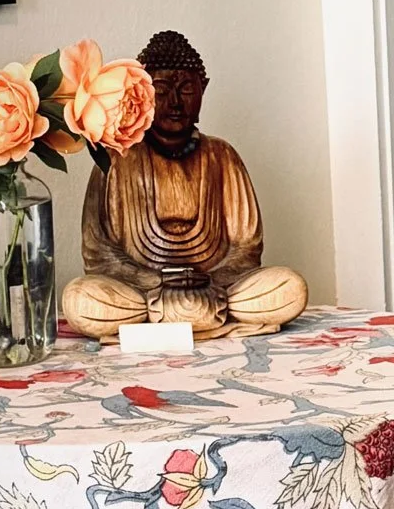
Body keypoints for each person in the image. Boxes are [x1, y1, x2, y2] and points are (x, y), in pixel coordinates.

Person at [62, 29, 307, 339]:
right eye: (162, 90)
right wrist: (156, 281)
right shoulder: (116, 158)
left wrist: (208, 279)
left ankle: (166, 321)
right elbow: (98, 253)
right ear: (143, 94)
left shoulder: (222, 156)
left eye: (186, 89)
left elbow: (247, 248)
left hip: (216, 289)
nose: (175, 102)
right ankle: (195, 318)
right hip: (141, 293)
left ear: (203, 88)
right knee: (81, 299)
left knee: (289, 287)